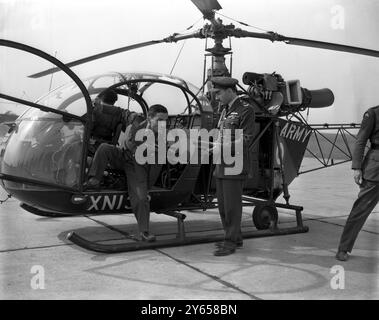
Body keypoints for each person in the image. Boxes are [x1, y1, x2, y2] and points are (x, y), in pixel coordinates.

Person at [86, 104, 169, 242]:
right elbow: (121, 112)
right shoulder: (137, 121)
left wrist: (147, 187)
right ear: (149, 118)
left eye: (166, 121)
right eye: (160, 120)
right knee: (104, 148)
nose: (163, 124)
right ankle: (94, 180)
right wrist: (100, 107)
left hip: (138, 166)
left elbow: (156, 166)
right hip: (124, 155)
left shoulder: (162, 138)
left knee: (141, 198)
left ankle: (144, 231)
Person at [210, 76, 255, 256]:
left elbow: (245, 139)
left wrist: (221, 147)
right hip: (222, 164)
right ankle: (234, 237)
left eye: (219, 93)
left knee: (232, 207)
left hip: (234, 165)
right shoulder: (225, 111)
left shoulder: (245, 110)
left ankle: (230, 242)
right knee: (222, 206)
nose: (217, 97)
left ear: (230, 91)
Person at [336, 105, 379, 261]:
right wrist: (357, 167)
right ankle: (344, 248)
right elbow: (360, 141)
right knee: (360, 211)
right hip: (376, 170)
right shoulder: (373, 113)